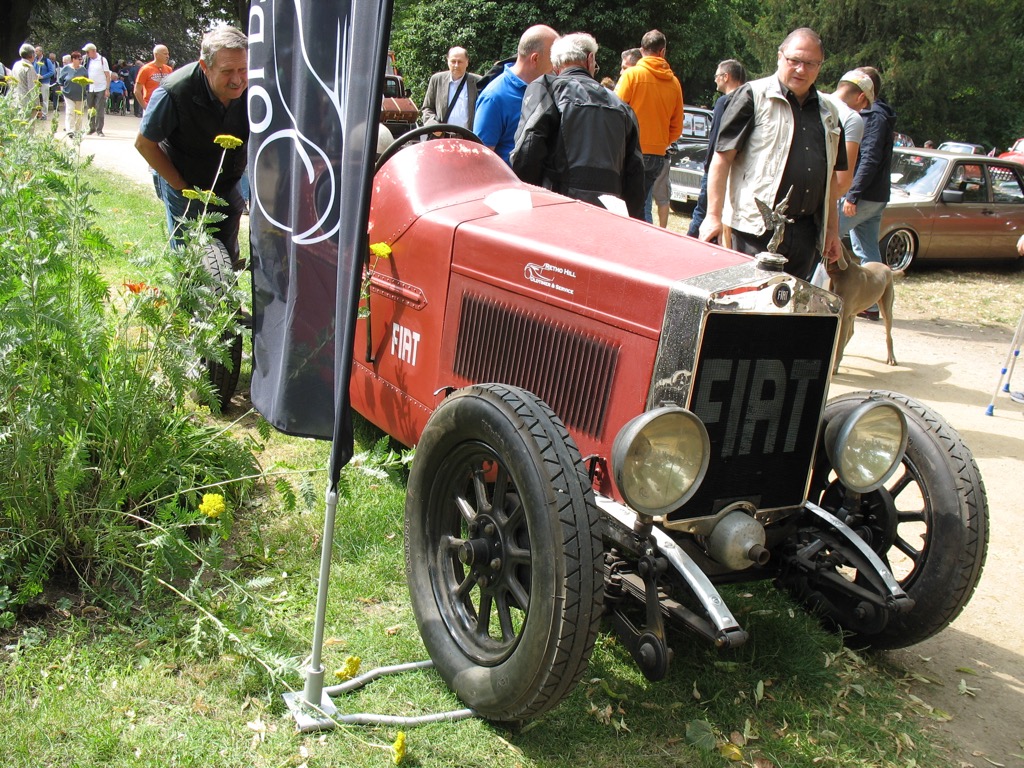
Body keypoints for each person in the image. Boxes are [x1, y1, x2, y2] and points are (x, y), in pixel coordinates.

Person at [699, 27, 847, 281]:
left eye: (810, 63)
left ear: (820, 67)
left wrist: (831, 230)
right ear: (780, 57)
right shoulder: (752, 96)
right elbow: (722, 159)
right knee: (747, 309)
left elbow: (831, 177)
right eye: (795, 61)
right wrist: (712, 215)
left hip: (805, 234)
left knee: (790, 314)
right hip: (755, 231)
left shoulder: (829, 112)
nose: (801, 69)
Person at [135, 26, 249, 265]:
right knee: (190, 258)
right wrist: (181, 187)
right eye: (227, 71)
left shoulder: (256, 87)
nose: (238, 80)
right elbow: (145, 144)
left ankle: (225, 299)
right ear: (205, 67)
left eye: (243, 69)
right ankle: (189, 299)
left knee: (225, 257)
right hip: (184, 179)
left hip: (228, 181)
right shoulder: (174, 91)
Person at [510, 32, 644, 218]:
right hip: (608, 217)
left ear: (556, 66)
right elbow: (635, 176)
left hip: (555, 210)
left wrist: (526, 205)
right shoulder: (622, 107)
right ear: (590, 60)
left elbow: (527, 150)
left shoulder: (547, 88)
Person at [839, 66, 896, 320]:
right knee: (867, 249)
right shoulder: (879, 115)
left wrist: (853, 194)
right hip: (877, 195)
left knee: (823, 239)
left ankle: (816, 295)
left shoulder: (872, 116)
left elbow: (870, 157)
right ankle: (872, 305)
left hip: (863, 195)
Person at [615, 30, 684, 225]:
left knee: (625, 206)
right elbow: (677, 127)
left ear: (641, 49)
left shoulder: (632, 75)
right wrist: (661, 142)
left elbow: (616, 112)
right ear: (662, 52)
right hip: (656, 155)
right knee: (643, 205)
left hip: (628, 151)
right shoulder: (674, 83)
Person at [473, 24, 559, 165]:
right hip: (509, 186)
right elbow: (481, 161)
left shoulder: (547, 89)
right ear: (535, 59)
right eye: (553, 58)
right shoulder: (494, 97)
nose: (556, 65)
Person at [687, 59, 747, 237]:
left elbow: (716, 139)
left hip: (719, 166)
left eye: (716, 76)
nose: (715, 80)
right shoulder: (750, 101)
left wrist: (708, 166)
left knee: (702, 212)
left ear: (725, 76)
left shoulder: (724, 101)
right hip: (739, 170)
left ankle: (690, 243)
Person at [824, 70, 872, 199]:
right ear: (861, 97)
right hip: (816, 203)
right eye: (863, 107)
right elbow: (842, 182)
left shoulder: (815, 101)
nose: (861, 111)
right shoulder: (851, 118)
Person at [420, 46, 481, 130]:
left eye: (460, 62)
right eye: (453, 61)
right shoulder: (437, 80)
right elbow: (427, 108)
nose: (456, 65)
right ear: (447, 61)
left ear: (467, 62)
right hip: (442, 138)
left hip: (468, 138)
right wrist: (433, 125)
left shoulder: (478, 82)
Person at [82, 43, 111, 136]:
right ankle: (91, 128)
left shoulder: (102, 60)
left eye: (88, 52)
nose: (86, 54)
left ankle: (99, 130)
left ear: (93, 51)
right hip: (90, 87)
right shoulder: (86, 60)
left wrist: (107, 89)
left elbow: (108, 75)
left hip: (101, 88)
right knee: (90, 108)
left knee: (99, 109)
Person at [134, 45, 172, 114]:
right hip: (151, 106)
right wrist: (145, 106)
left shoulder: (169, 69)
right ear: (156, 55)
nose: (167, 56)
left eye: (168, 54)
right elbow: (137, 91)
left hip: (165, 106)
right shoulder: (145, 69)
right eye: (165, 54)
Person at [58, 51, 89, 136]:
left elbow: (87, 81)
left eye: (81, 59)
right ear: (73, 59)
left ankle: (78, 130)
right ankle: (70, 130)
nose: (80, 61)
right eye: (78, 59)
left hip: (80, 95)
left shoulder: (83, 69)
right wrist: (62, 91)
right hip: (68, 94)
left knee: (79, 113)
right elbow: (61, 80)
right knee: (70, 111)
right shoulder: (66, 68)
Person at [11, 44, 38, 117]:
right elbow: (32, 88)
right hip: (27, 104)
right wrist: (37, 106)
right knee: (29, 126)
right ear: (31, 55)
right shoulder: (29, 67)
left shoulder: (16, 64)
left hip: (16, 101)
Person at [33, 46, 55, 118]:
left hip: (44, 82)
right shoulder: (34, 61)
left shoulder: (46, 60)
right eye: (35, 51)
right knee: (35, 98)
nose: (35, 53)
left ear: (41, 52)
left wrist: (43, 76)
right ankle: (37, 114)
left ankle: (44, 114)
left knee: (45, 98)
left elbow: (52, 72)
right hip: (36, 82)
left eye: (37, 51)